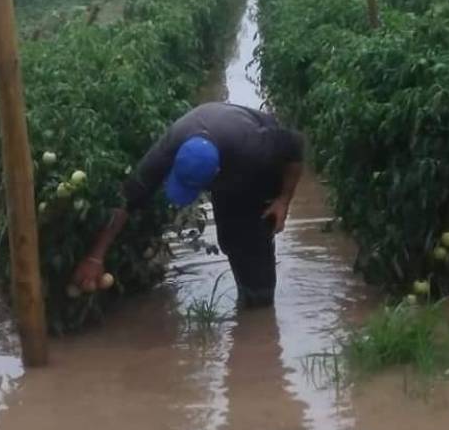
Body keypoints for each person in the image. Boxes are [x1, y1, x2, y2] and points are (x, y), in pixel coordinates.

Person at [74, 101, 304, 308]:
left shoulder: (255, 147)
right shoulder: (170, 148)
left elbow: (295, 147)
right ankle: (246, 296)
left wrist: (283, 201)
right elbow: (127, 200)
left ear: (216, 174)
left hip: (257, 167)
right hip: (219, 141)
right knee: (231, 238)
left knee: (255, 245)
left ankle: (260, 310)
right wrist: (95, 257)